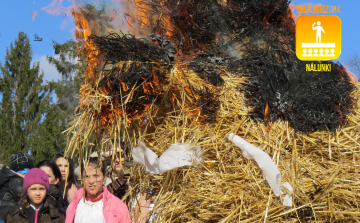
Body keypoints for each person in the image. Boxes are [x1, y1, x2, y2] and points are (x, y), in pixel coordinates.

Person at [65, 157, 131, 223]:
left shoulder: (118, 206)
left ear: (104, 177)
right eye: (87, 176)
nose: (91, 181)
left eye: (96, 176)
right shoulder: (75, 205)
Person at [0, 153, 34, 221]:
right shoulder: (16, 180)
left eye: (29, 170)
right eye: (22, 170)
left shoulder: (7, 178)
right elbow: (28, 197)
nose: (26, 173)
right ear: (14, 171)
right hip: (8, 214)